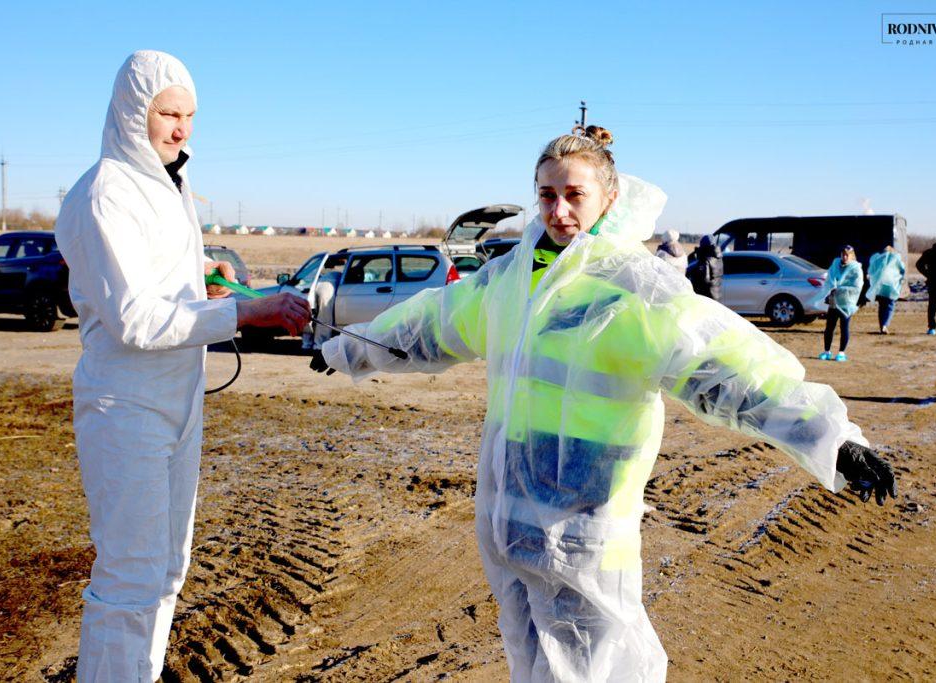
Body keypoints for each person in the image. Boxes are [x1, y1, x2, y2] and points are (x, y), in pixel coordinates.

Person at [314, 126, 896, 681]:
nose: (558, 211)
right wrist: (348, 350)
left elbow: (732, 370)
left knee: (598, 667)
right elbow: (430, 327)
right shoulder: (510, 279)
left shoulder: (637, 287)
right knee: (529, 662)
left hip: (587, 525)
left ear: (609, 197)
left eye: (575, 195)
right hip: (509, 518)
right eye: (547, 195)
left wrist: (832, 439)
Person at [55, 51, 310, 681]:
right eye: (168, 113)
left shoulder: (167, 184)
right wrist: (247, 314)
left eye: (189, 116)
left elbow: (158, 272)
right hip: (127, 406)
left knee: (168, 568)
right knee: (129, 577)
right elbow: (136, 319)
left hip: (180, 398)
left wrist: (210, 275)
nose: (181, 129)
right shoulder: (105, 192)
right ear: (131, 110)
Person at [817, 246, 862, 362]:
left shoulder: (856, 268)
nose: (845, 257)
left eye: (847, 255)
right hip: (834, 299)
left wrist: (840, 289)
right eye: (843, 254)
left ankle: (841, 352)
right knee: (829, 327)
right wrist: (832, 287)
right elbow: (830, 278)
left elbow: (857, 286)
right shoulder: (836, 264)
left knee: (844, 327)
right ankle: (826, 351)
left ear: (852, 255)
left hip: (847, 302)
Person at [865, 245, 906, 334]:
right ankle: (885, 325)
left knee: (882, 306)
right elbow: (902, 269)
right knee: (890, 306)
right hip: (891, 286)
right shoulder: (895, 257)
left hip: (880, 287)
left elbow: (871, 270)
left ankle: (882, 325)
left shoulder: (877, 258)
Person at [688, 234, 722, 300]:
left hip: (706, 296)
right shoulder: (719, 257)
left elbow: (705, 280)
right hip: (716, 294)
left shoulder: (705, 260)